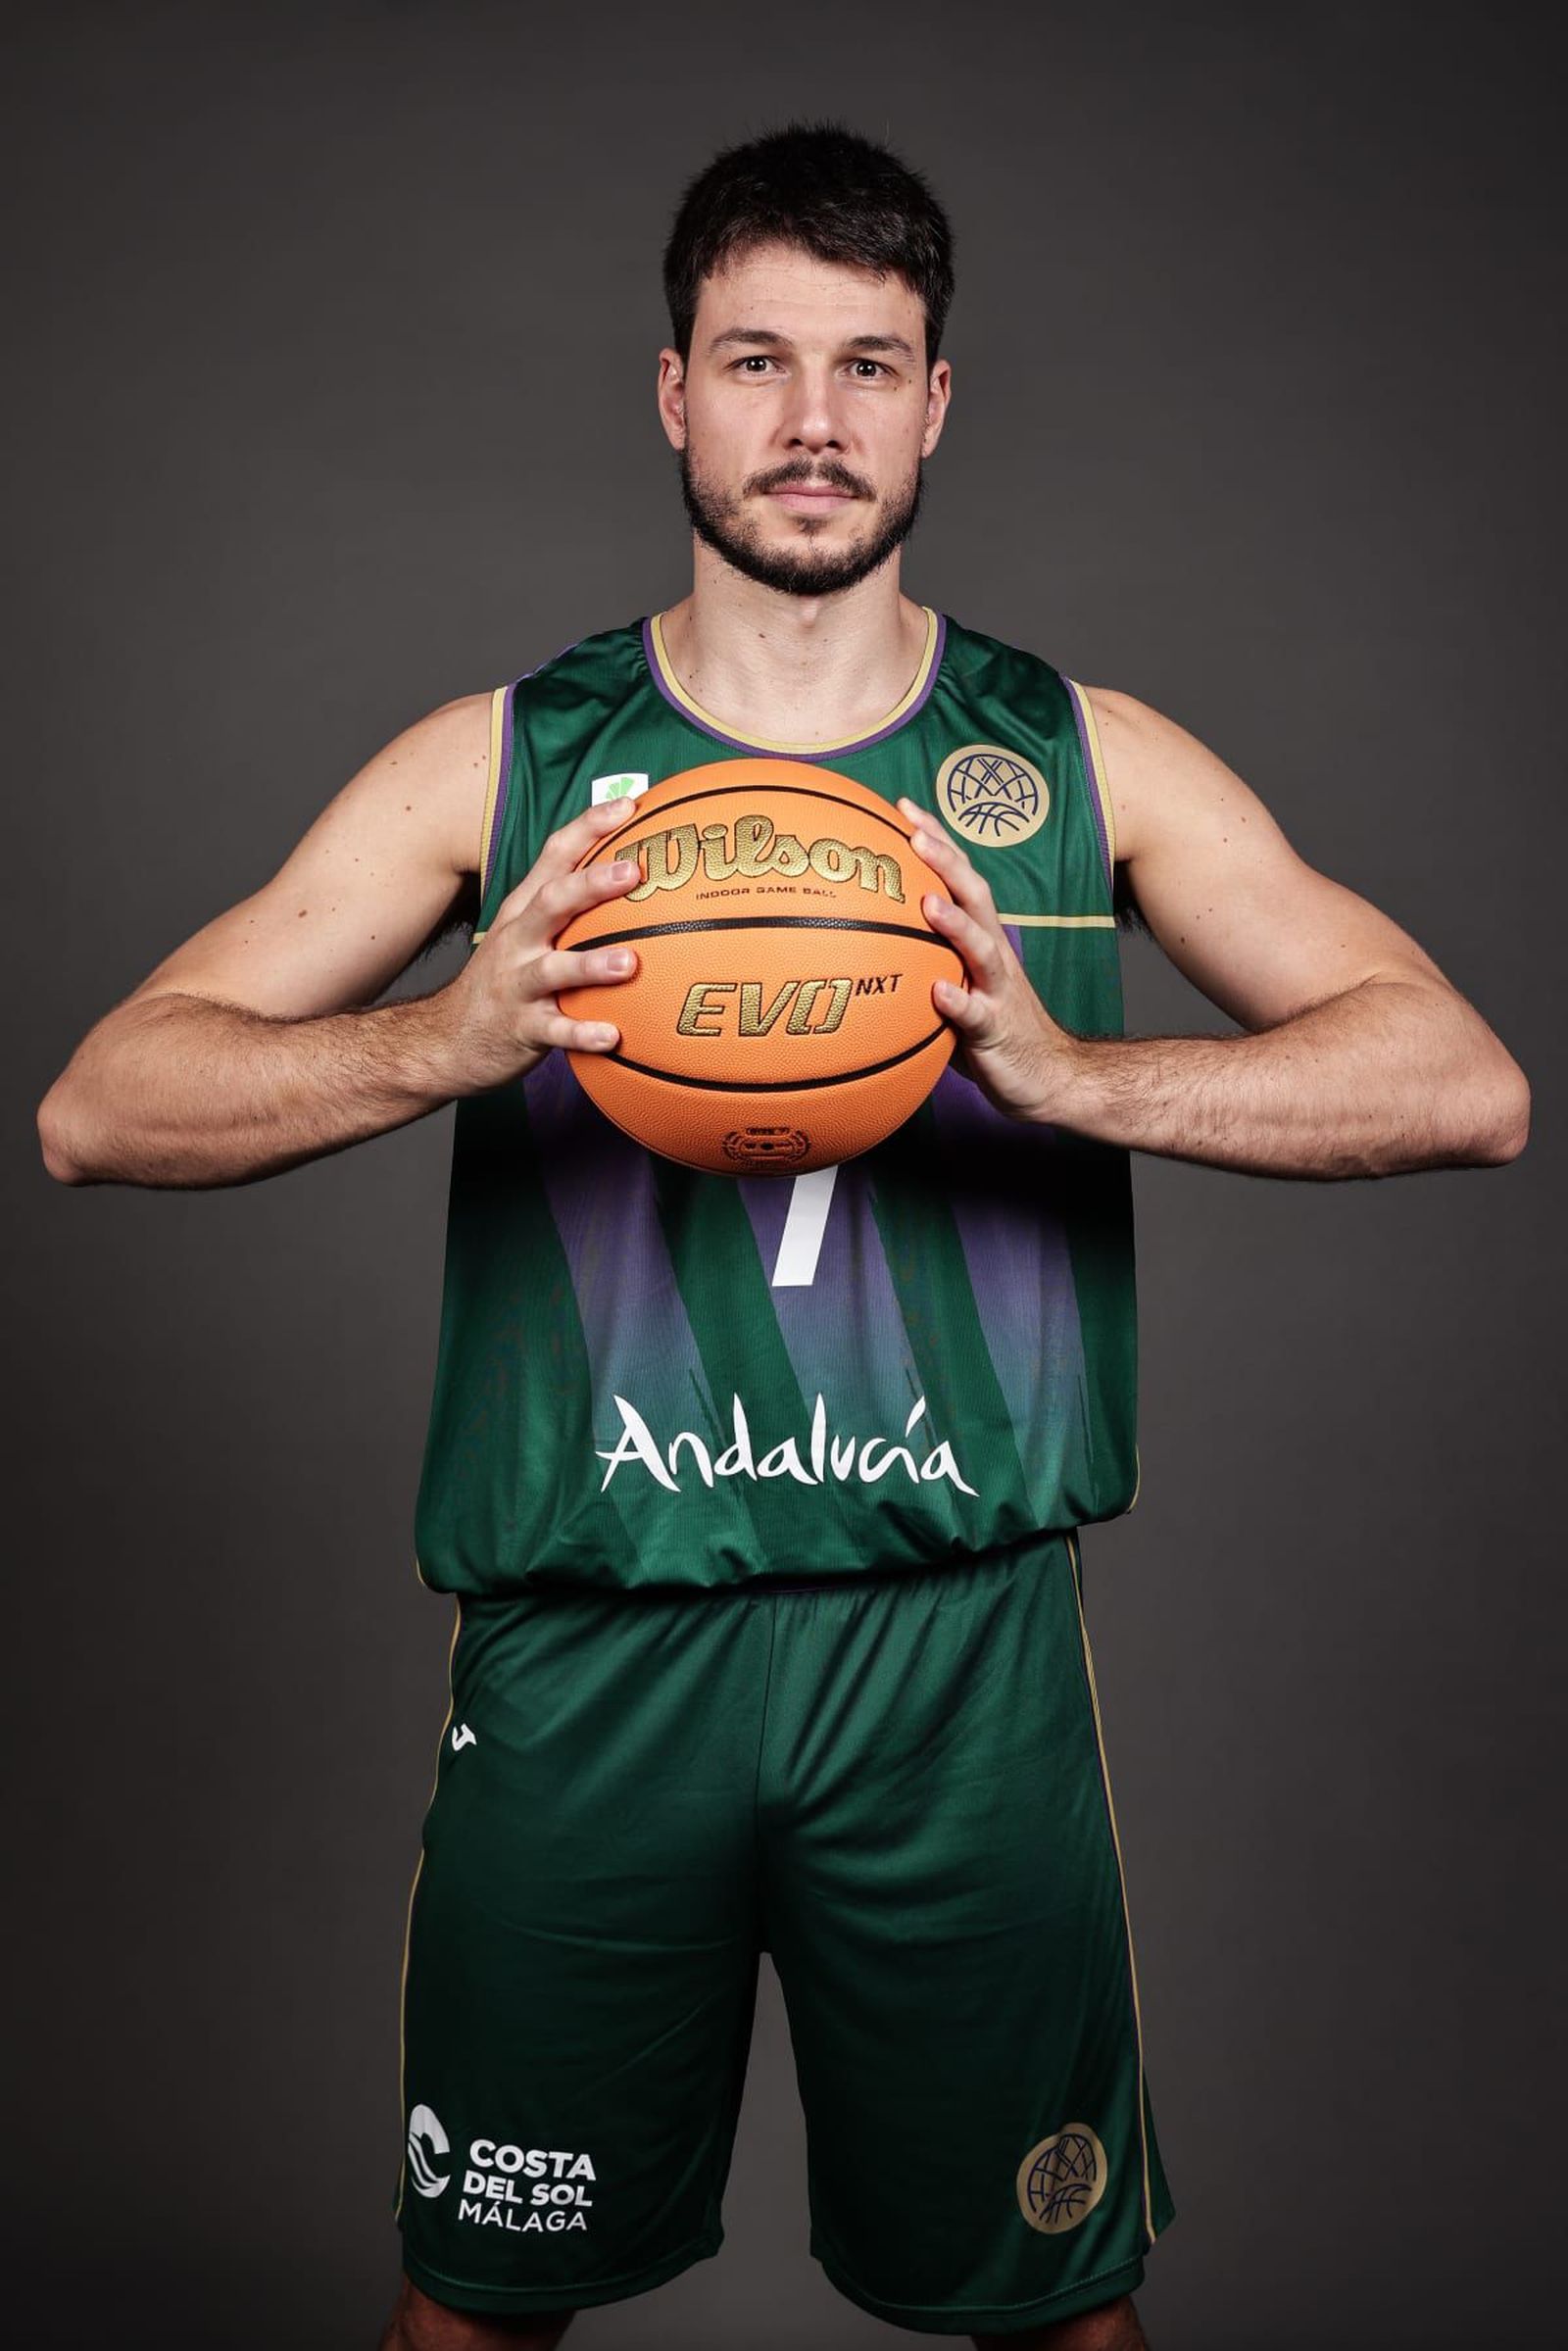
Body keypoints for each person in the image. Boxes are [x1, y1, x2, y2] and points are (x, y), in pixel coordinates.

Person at [36, 122, 1529, 2351]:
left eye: (866, 363)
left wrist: (1077, 1078)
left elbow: (1462, 1080)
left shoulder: (1076, 766)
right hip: (585, 1651)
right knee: (473, 2310)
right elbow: (96, 1103)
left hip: (955, 1665)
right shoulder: (510, 765)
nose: (810, 421)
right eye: (755, 361)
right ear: (671, 396)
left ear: (936, 404)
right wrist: (444, 1043)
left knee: (1058, 2311)